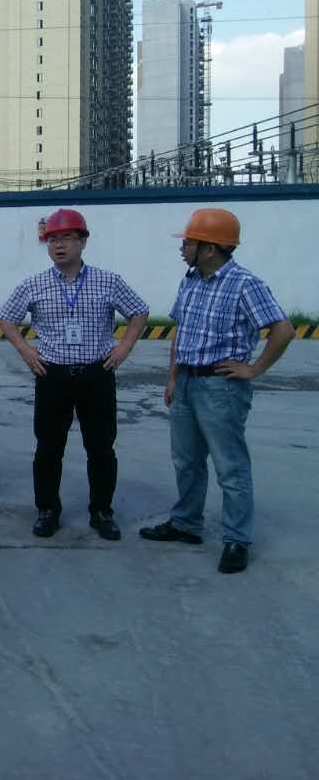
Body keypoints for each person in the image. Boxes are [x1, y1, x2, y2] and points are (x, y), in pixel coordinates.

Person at [140, 208, 295, 574]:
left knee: (230, 466)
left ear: (210, 249)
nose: (183, 248)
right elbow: (181, 332)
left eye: (188, 242)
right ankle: (186, 524)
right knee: (186, 461)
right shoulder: (190, 281)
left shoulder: (245, 284)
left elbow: (284, 330)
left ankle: (237, 540)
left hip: (220, 387)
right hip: (187, 383)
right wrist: (173, 378)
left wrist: (253, 369)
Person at [0, 208, 149, 540]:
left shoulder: (108, 281)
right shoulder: (34, 284)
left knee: (101, 447)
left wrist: (123, 348)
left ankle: (101, 511)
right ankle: (47, 509)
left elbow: (139, 312)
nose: (59, 245)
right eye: (53, 239)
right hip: (53, 375)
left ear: (83, 242)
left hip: (97, 374)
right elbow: (6, 318)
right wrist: (26, 351)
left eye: (67, 238)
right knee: (48, 447)